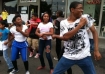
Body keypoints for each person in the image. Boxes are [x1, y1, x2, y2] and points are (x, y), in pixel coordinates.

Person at [52, 1, 101, 74]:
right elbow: (66, 37)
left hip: (84, 56)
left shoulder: (85, 17)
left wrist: (96, 50)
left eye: (82, 8)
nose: (82, 10)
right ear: (72, 10)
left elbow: (94, 32)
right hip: (68, 56)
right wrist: (80, 25)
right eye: (80, 8)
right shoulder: (64, 23)